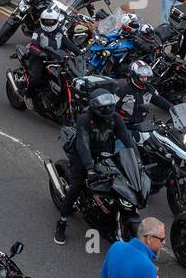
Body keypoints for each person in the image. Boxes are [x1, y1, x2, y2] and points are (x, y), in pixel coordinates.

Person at [54, 91, 137, 244]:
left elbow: (127, 139)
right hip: (82, 155)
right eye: (104, 108)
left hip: (105, 153)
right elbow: (83, 144)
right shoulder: (85, 119)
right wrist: (90, 169)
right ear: (95, 107)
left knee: (118, 180)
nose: (107, 111)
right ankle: (62, 222)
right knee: (76, 186)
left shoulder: (115, 118)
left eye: (109, 107)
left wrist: (137, 162)